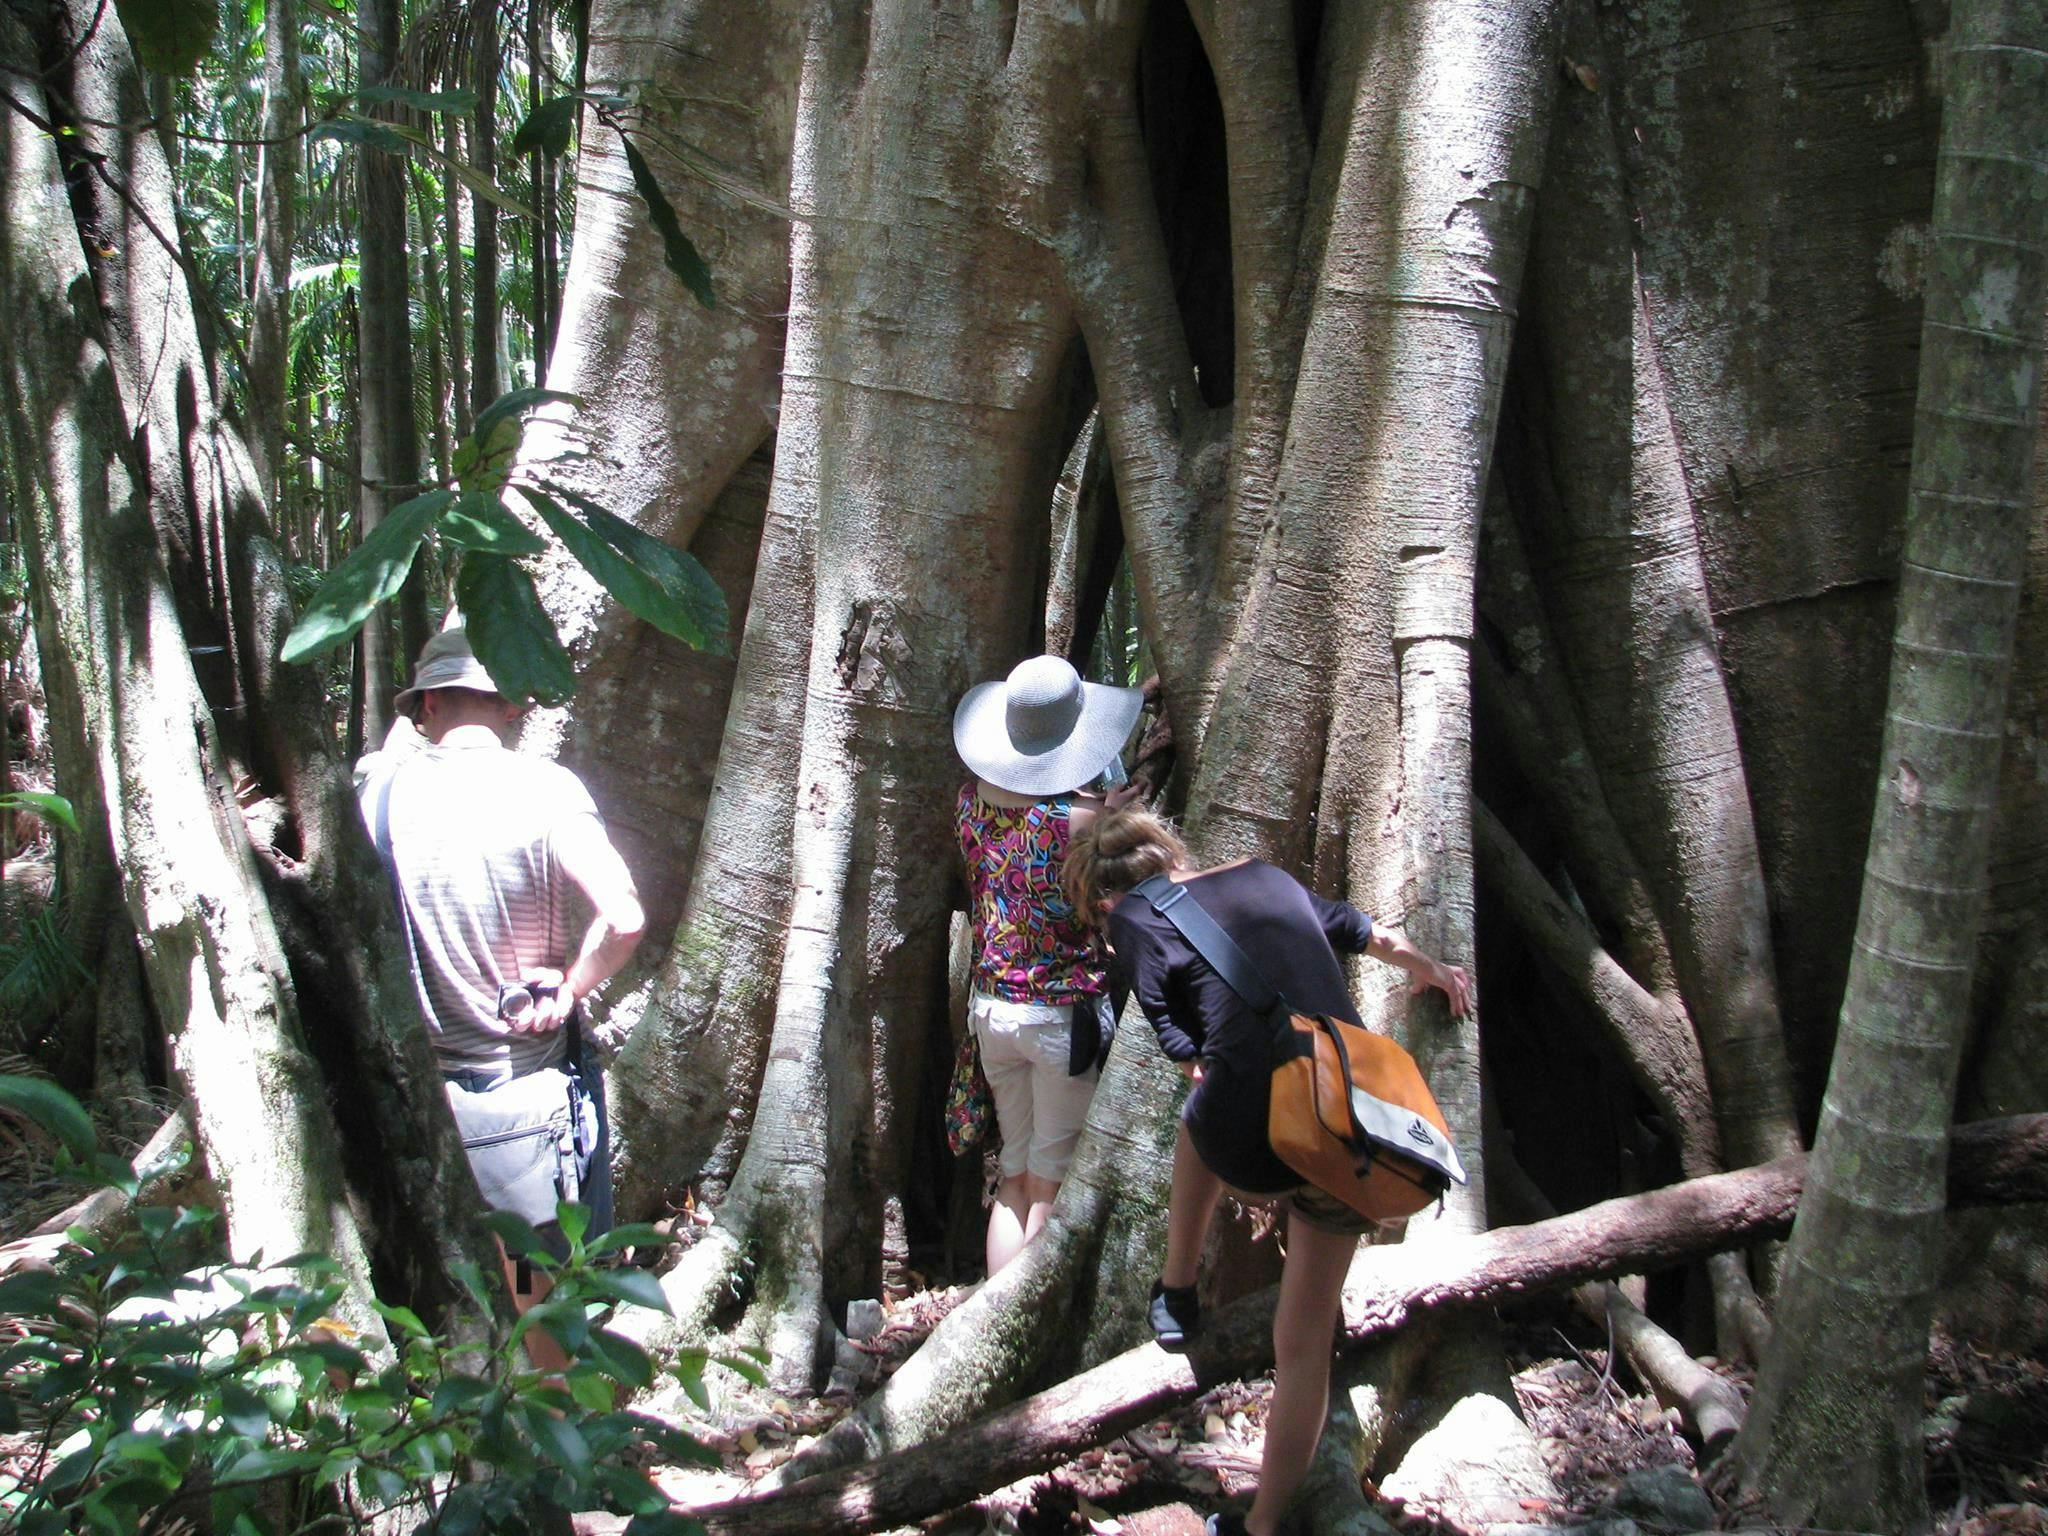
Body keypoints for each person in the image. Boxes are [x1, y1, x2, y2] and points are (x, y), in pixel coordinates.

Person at [1063, 806, 1472, 1536]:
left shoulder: (1131, 920)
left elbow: (1177, 1041)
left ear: (1103, 900)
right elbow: (1364, 931)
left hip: (1255, 1144)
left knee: (1200, 1113)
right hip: (1355, 1141)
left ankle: (1178, 1290)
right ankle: (1264, 1526)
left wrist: (1211, 1058)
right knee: (1304, 1341)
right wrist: (1433, 971)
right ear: (1167, 851)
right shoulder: (1267, 878)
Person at [359, 628, 645, 1328]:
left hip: (419, 1090)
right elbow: (626, 915)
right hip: (528, 1094)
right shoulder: (545, 790)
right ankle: (553, 1418)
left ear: (424, 705)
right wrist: (572, 986)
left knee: (443, 1293)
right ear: (514, 706)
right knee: (542, 1298)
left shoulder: (378, 796)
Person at [951, 655, 1143, 1275]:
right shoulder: (1083, 820)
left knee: (1013, 1172)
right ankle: (1017, 1326)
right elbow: (1100, 874)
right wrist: (1112, 812)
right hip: (1060, 1016)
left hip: (991, 1011)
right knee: (1049, 1185)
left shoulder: (969, 806)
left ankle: (989, 1308)